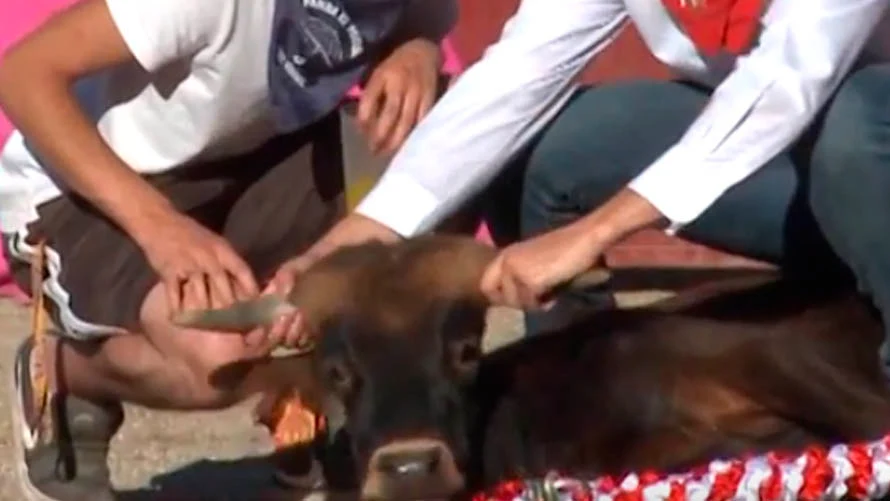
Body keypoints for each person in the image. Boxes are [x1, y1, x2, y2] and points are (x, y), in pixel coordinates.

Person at [0, 0, 455, 498]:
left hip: (244, 165)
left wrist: (417, 51)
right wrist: (160, 227)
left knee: (433, 155)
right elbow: (22, 74)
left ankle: (321, 410)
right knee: (218, 360)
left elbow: (421, 24)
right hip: (85, 186)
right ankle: (65, 374)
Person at [279, 1, 890, 341]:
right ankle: (589, 409)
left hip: (865, 147)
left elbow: (783, 84)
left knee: (859, 125)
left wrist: (593, 234)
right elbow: (520, 73)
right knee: (550, 150)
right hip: (783, 169)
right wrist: (359, 236)